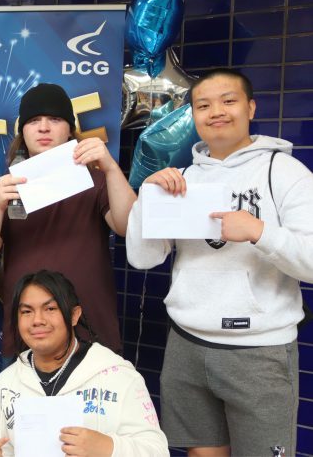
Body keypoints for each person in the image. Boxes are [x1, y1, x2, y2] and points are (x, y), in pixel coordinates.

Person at [126, 68, 313, 456]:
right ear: (193, 115)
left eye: (228, 101)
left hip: (259, 350)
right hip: (187, 342)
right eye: (203, 105)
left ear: (251, 107)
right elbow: (142, 259)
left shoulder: (285, 172)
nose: (216, 112)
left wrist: (260, 232)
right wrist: (148, 198)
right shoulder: (182, 179)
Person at [0, 83, 136, 363]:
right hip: (29, 336)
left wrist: (110, 167)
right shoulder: (9, 186)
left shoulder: (96, 181)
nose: (44, 128)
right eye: (34, 121)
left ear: (69, 128)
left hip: (90, 333)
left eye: (55, 119)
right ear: (23, 131)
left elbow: (128, 226)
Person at [0, 270, 169, 457]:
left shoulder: (119, 375)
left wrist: (108, 447)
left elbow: (157, 451)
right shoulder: (3, 384)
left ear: (74, 315)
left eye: (50, 309)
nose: (37, 320)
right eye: (26, 312)